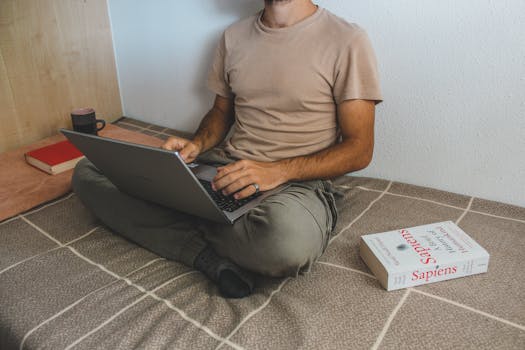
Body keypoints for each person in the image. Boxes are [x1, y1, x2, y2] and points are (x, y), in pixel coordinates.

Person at [72, 0, 382, 298]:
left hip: (296, 183)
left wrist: (278, 170)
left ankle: (182, 227)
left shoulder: (347, 40)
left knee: (286, 245)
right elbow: (221, 114)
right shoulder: (233, 36)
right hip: (225, 166)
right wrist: (197, 143)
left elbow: (359, 149)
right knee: (88, 171)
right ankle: (207, 250)